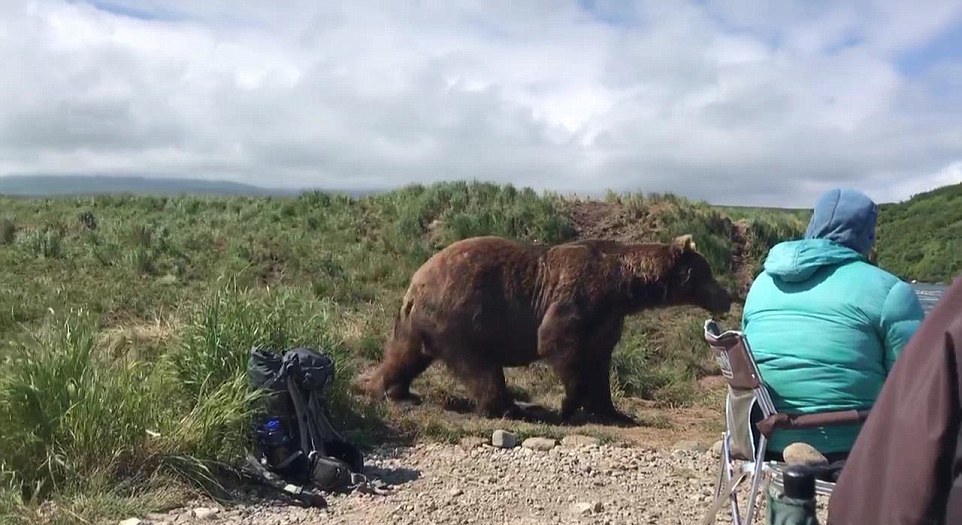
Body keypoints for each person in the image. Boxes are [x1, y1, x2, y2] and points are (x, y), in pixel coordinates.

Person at [741, 188, 925, 460]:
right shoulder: (891, 291)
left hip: (761, 438)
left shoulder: (762, 283)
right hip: (851, 444)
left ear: (813, 226)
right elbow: (917, 378)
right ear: (869, 235)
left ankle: (790, 493)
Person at [827, 275, 962, 524]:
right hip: (851, 438)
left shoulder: (763, 284)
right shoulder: (890, 291)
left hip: (770, 438)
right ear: (867, 244)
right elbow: (910, 376)